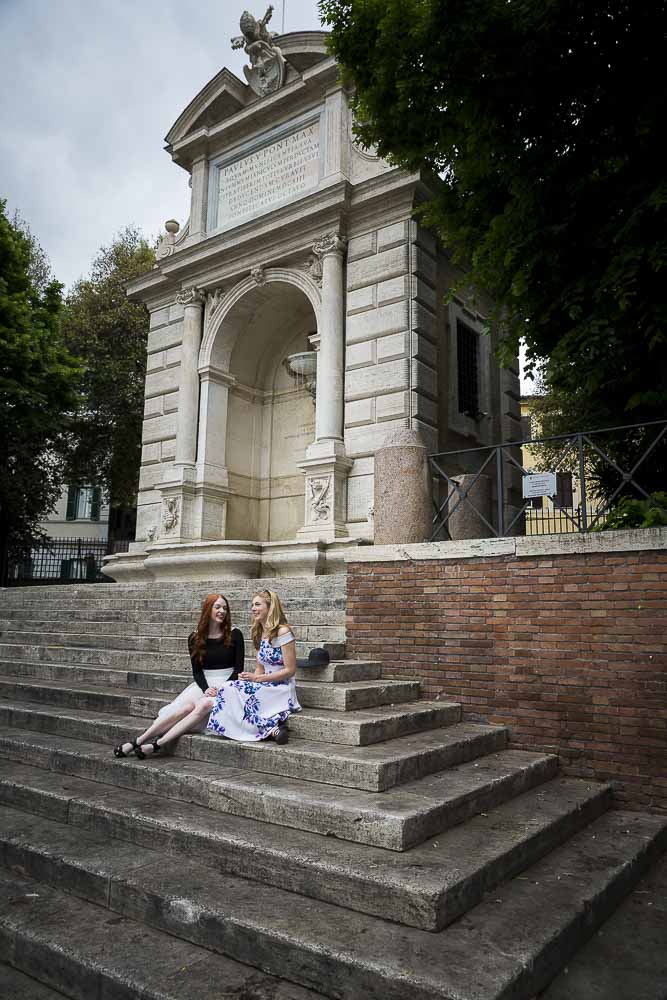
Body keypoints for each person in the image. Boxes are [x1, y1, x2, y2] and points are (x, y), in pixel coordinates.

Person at [113, 593, 244, 759]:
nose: (222, 611)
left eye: (225, 608)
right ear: (207, 610)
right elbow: (197, 672)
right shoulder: (194, 637)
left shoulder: (235, 634)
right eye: (217, 607)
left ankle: (155, 745)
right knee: (186, 708)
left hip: (228, 685)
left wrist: (220, 689)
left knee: (201, 707)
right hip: (205, 685)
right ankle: (137, 741)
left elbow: (238, 670)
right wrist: (206, 689)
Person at [206, 589, 301, 745]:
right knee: (228, 687)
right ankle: (272, 729)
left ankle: (268, 728)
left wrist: (258, 678)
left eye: (257, 604)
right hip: (264, 683)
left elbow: (290, 670)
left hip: (282, 688)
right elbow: (260, 669)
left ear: (270, 607)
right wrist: (250, 679)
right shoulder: (258, 632)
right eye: (252, 605)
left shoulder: (283, 631)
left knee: (232, 689)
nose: (253, 608)